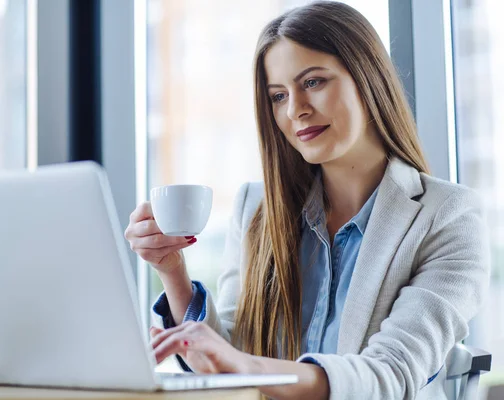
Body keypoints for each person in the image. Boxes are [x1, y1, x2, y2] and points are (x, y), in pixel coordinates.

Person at [124, 2, 490, 399]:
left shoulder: (449, 217)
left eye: (313, 82)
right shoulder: (257, 208)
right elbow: (227, 353)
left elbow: (391, 375)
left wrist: (250, 369)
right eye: (278, 96)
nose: (296, 109)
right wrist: (172, 270)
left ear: (367, 78)